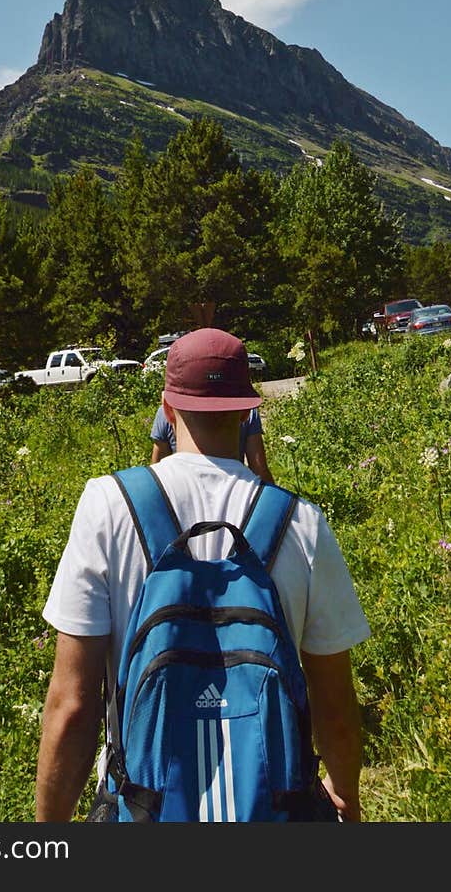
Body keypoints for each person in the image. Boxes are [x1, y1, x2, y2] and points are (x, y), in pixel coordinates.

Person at [35, 327, 370, 823]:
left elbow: (72, 707)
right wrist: (345, 794)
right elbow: (336, 706)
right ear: (247, 410)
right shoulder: (300, 522)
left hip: (146, 807)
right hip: (271, 810)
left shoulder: (107, 505)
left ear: (167, 411)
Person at [149, 399, 274, 483]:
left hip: (181, 500)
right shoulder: (246, 410)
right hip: (235, 497)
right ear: (244, 413)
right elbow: (259, 468)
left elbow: (156, 472)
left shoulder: (166, 412)